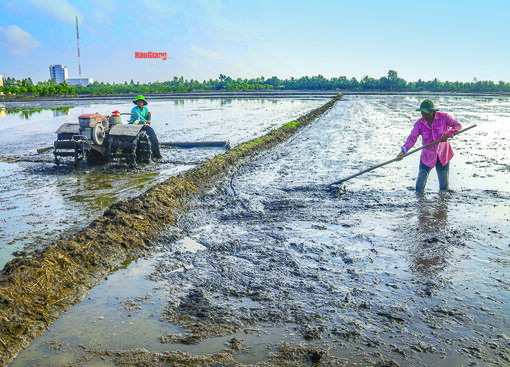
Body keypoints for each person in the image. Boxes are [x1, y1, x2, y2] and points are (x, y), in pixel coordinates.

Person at [397, 99, 462, 192]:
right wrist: (403, 151)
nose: (422, 114)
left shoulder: (444, 118)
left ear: (431, 111)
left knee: (444, 185)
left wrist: (448, 134)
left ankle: (442, 202)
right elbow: (412, 138)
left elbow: (457, 125)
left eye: (425, 112)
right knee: (420, 184)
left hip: (443, 154)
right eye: (422, 112)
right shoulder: (420, 123)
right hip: (427, 155)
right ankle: (420, 202)